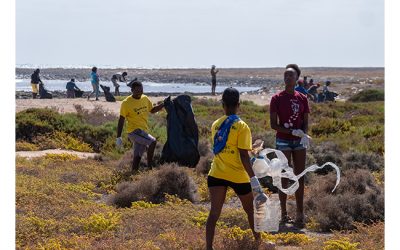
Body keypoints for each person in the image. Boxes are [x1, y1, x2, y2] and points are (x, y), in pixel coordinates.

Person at [206, 87, 274, 250]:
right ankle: (258, 243)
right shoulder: (242, 126)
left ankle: (208, 247)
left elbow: (225, 147)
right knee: (251, 211)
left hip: (216, 174)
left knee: (214, 214)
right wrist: (254, 179)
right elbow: (243, 156)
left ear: (223, 104)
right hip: (238, 176)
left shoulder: (216, 124)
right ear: (238, 104)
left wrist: (248, 149)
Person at [269, 64, 311, 229]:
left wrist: (304, 135)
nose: (287, 78)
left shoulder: (302, 98)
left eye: (291, 75)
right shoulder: (276, 98)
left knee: (300, 175)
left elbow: (305, 122)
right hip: (283, 141)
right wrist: (291, 131)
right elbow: (274, 125)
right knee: (285, 176)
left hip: (299, 142)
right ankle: (284, 214)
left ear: (297, 79)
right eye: (285, 75)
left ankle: (300, 214)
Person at [116, 79, 165, 173]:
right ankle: (150, 168)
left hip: (143, 131)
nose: (139, 93)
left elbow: (152, 110)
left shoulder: (145, 98)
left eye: (141, 90)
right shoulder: (126, 103)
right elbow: (121, 119)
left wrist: (163, 104)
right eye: (137, 91)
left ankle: (133, 174)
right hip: (134, 131)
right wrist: (118, 136)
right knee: (153, 142)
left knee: (138, 156)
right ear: (132, 91)